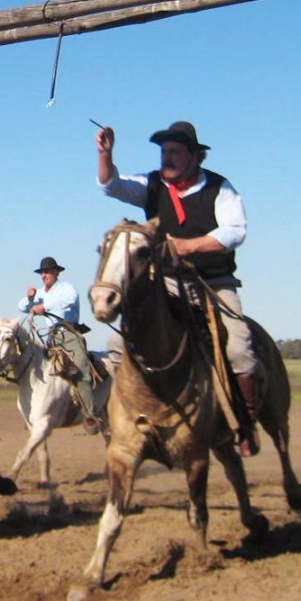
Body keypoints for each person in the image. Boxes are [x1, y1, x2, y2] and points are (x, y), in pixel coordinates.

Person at [95, 120, 262, 457]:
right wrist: (105, 154)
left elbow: (235, 231)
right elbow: (111, 185)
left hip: (214, 283)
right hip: (167, 283)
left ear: (195, 157)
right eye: (163, 152)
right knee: (117, 343)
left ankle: (245, 423)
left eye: (174, 152)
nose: (166, 158)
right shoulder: (152, 184)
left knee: (240, 346)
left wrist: (188, 246)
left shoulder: (220, 187)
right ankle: (123, 414)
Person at [17, 256, 102, 435]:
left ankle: (90, 414)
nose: (44, 276)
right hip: (50, 337)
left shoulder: (66, 289)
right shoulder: (41, 292)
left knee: (80, 369)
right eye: (42, 273)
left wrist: (44, 306)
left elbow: (69, 300)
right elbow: (22, 307)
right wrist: (30, 298)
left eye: (47, 272)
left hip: (69, 334)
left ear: (56, 273)